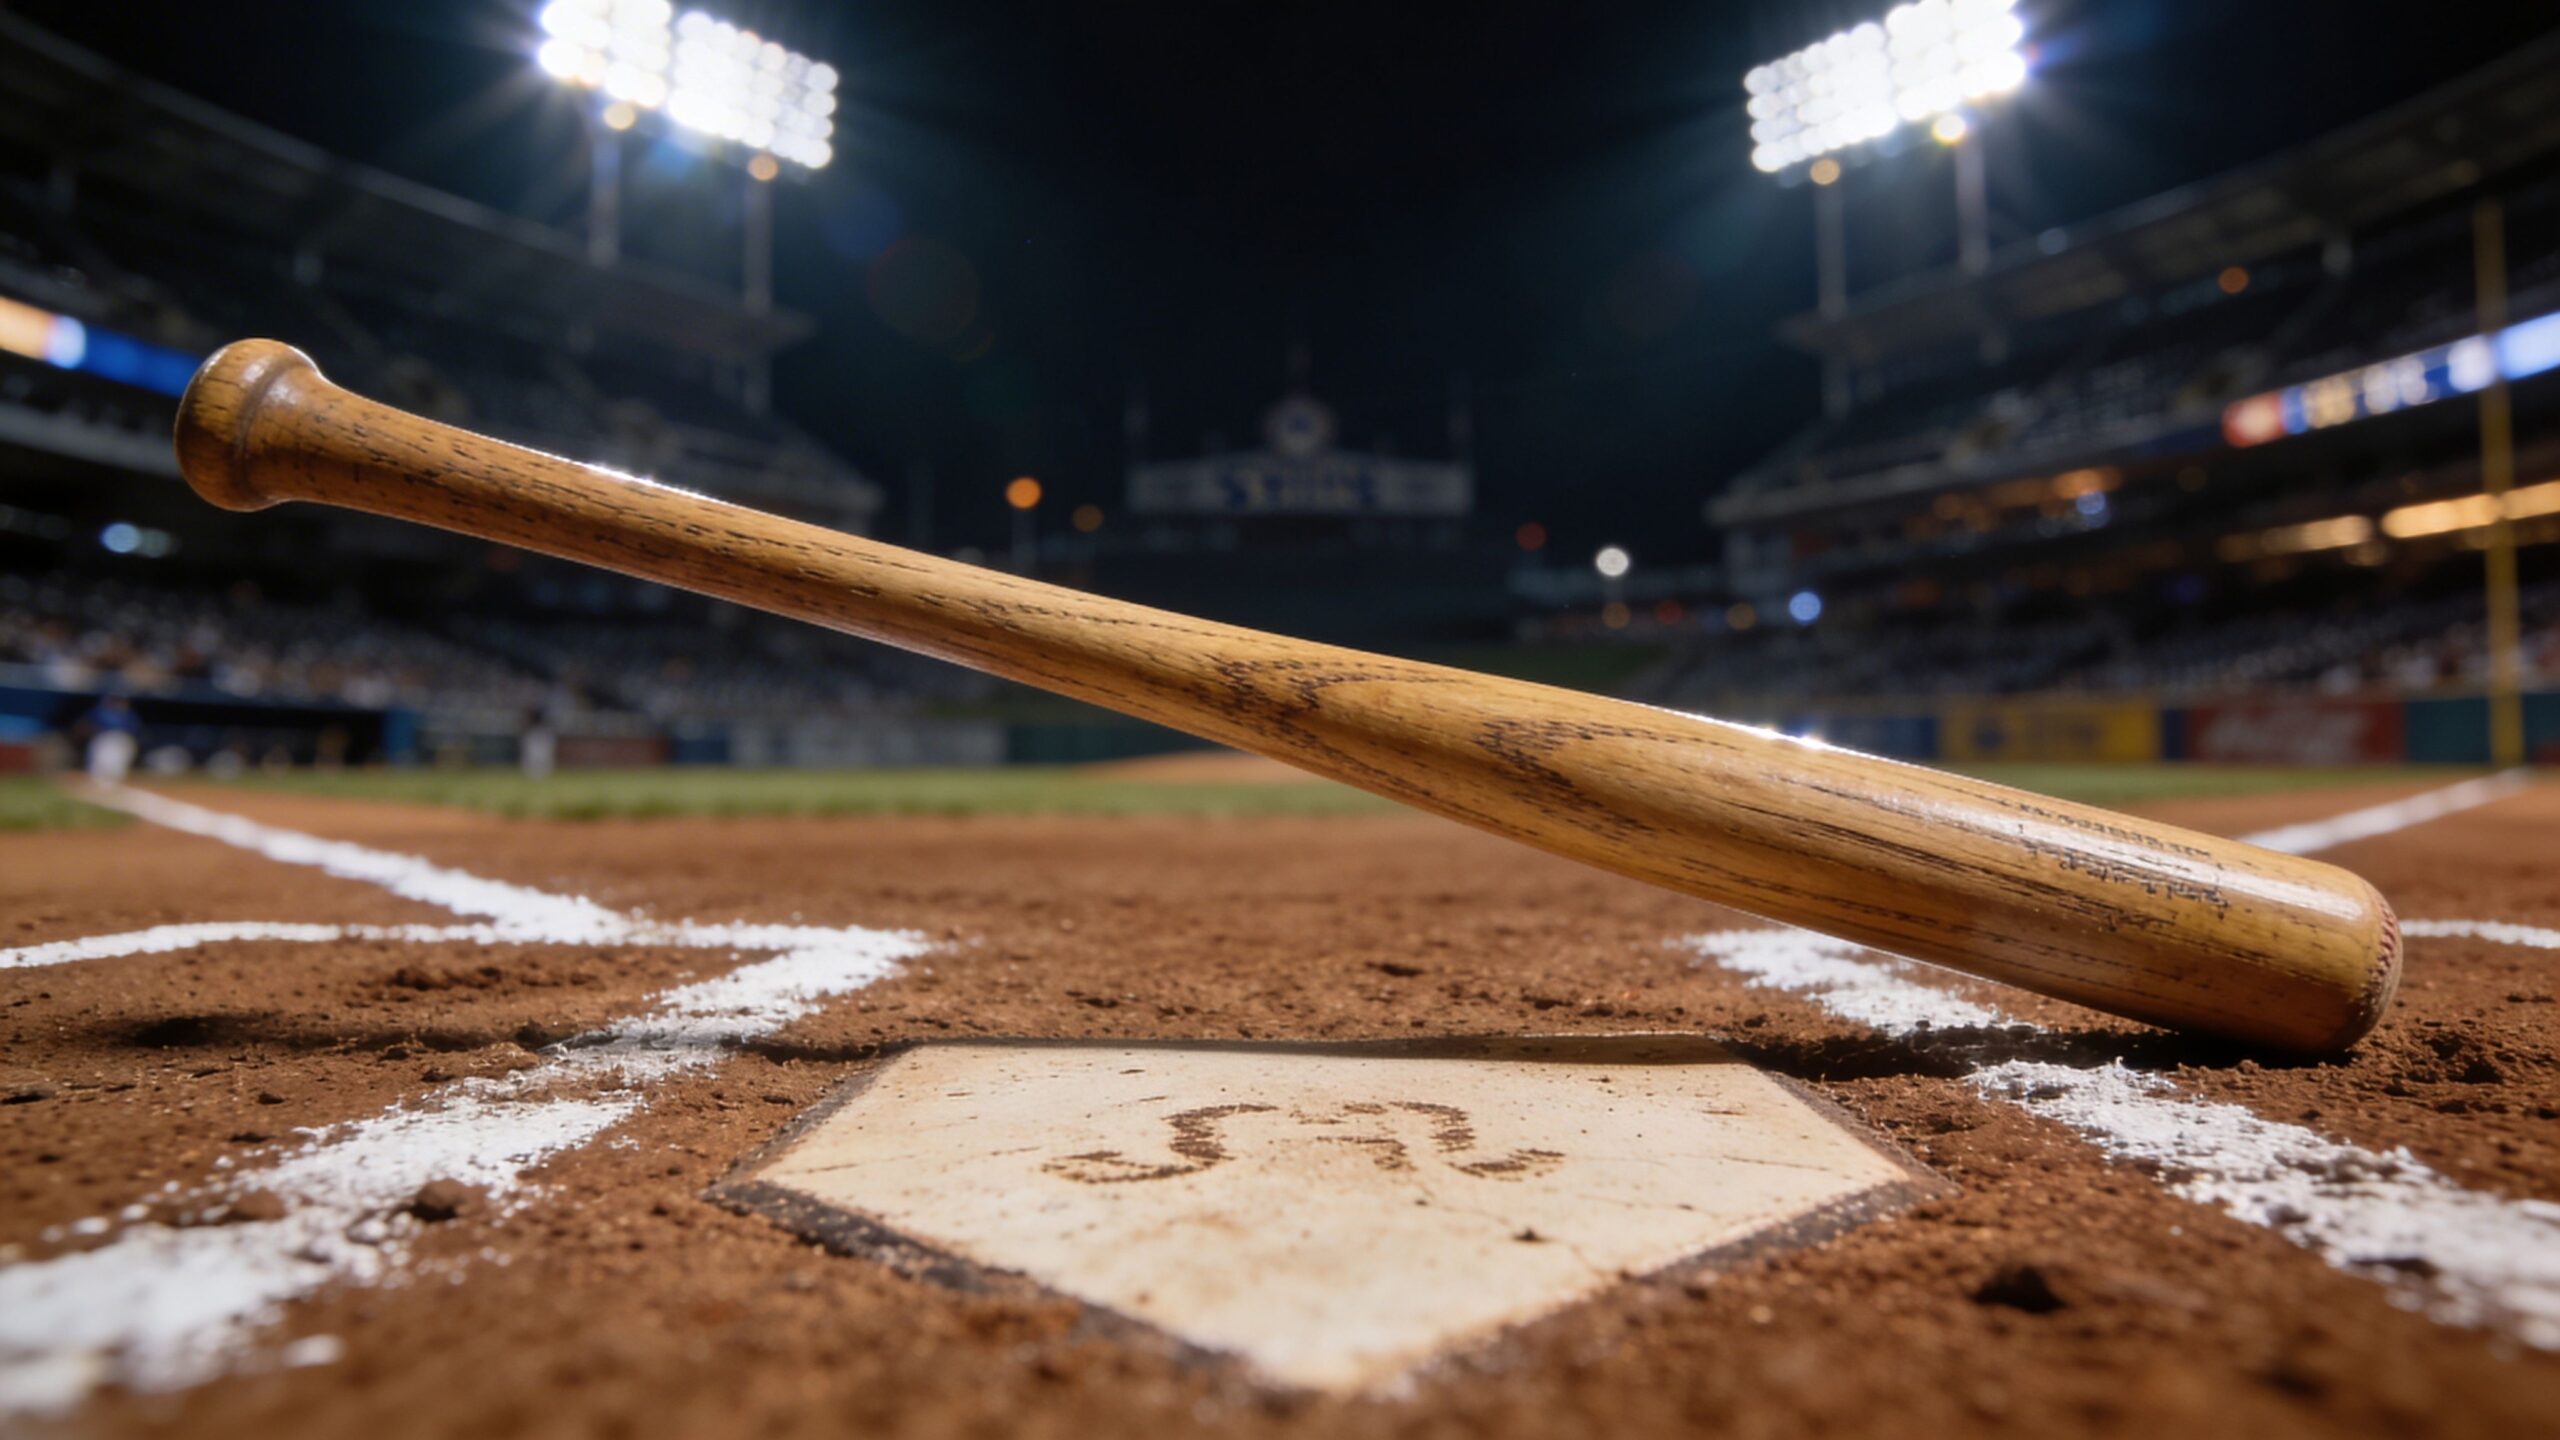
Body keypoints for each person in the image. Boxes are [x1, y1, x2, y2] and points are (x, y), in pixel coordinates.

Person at [81, 694, 141, 785]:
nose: (118, 703)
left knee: (116, 767)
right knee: (99, 766)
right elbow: (84, 726)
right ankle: (98, 782)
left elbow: (134, 731)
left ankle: (113, 782)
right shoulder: (99, 712)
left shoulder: (129, 715)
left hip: (121, 740)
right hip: (102, 739)